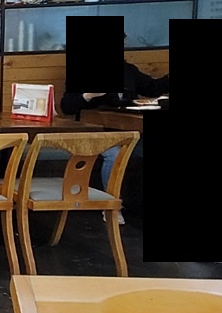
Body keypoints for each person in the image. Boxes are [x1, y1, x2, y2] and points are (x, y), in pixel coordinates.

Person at [60, 62, 169, 216]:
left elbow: (151, 88)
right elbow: (67, 106)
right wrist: (88, 95)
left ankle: (136, 205)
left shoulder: (128, 70)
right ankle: (111, 207)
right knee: (115, 154)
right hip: (97, 133)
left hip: (128, 130)